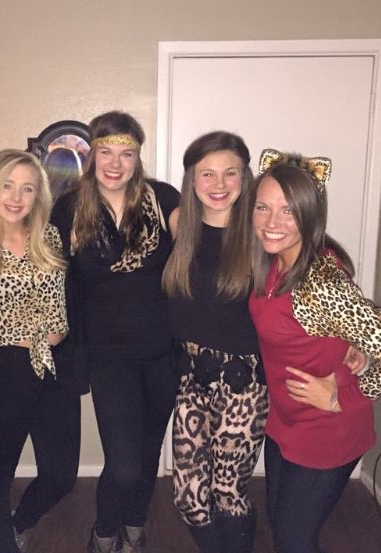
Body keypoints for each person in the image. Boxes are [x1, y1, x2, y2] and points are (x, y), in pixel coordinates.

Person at [247, 149, 381, 553]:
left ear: (310, 215)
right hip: (284, 420)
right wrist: (353, 342)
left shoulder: (320, 282)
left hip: (326, 429)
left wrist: (341, 398)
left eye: (289, 211)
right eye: (263, 207)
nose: (272, 222)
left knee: (294, 538)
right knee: (282, 527)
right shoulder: (272, 262)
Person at [50, 111, 180, 553]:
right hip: (108, 358)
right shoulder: (70, 207)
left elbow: (202, 245)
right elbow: (43, 271)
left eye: (127, 153)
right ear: (92, 154)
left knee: (148, 452)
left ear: (138, 157)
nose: (115, 163)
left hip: (163, 353)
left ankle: (135, 525)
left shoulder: (163, 198)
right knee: (123, 464)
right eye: (106, 151)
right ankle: (105, 529)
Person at [0, 149, 78, 553]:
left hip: (53, 369)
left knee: (62, 475)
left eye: (27, 188)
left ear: (38, 195)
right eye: (8, 186)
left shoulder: (50, 236)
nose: (16, 197)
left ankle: (20, 522)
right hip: (2, 372)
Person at [163, 131, 267, 553]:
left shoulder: (261, 233)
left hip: (244, 383)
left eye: (230, 173)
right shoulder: (179, 225)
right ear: (191, 178)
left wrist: (345, 344)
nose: (219, 184)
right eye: (207, 173)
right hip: (191, 377)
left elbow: (317, 264)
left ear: (245, 177)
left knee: (228, 492)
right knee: (188, 496)